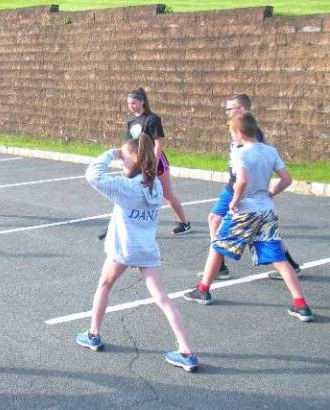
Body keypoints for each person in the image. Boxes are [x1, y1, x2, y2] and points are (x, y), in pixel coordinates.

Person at [78, 134, 199, 372]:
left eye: (124, 158)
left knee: (104, 285)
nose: (121, 162)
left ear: (133, 158)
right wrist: (124, 157)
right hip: (145, 248)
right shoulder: (154, 186)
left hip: (123, 248)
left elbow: (92, 174)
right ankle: (186, 351)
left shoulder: (125, 187)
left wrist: (111, 153)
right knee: (163, 298)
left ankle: (93, 334)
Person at [183, 113, 313, 322]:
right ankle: (301, 304)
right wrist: (272, 192)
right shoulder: (270, 151)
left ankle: (203, 290)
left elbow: (241, 181)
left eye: (232, 133)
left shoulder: (239, 153)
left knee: (218, 245)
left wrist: (234, 200)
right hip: (267, 210)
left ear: (239, 133)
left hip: (246, 210)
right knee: (278, 257)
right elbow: (287, 179)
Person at [198, 94, 301, 280]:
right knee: (219, 220)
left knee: (216, 221)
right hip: (237, 187)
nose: (228, 111)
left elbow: (247, 172)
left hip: (239, 190)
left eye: (232, 108)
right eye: (227, 108)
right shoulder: (238, 130)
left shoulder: (250, 135)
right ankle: (290, 266)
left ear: (242, 110)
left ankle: (217, 269)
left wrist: (240, 195)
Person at [98, 88, 190, 240]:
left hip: (156, 161)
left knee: (167, 194)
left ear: (142, 102)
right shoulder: (131, 122)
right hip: (136, 161)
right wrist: (124, 162)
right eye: (129, 103)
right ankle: (113, 228)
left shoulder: (152, 119)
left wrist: (152, 163)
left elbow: (158, 142)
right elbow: (128, 144)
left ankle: (184, 222)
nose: (131, 106)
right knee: (123, 193)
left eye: (134, 102)